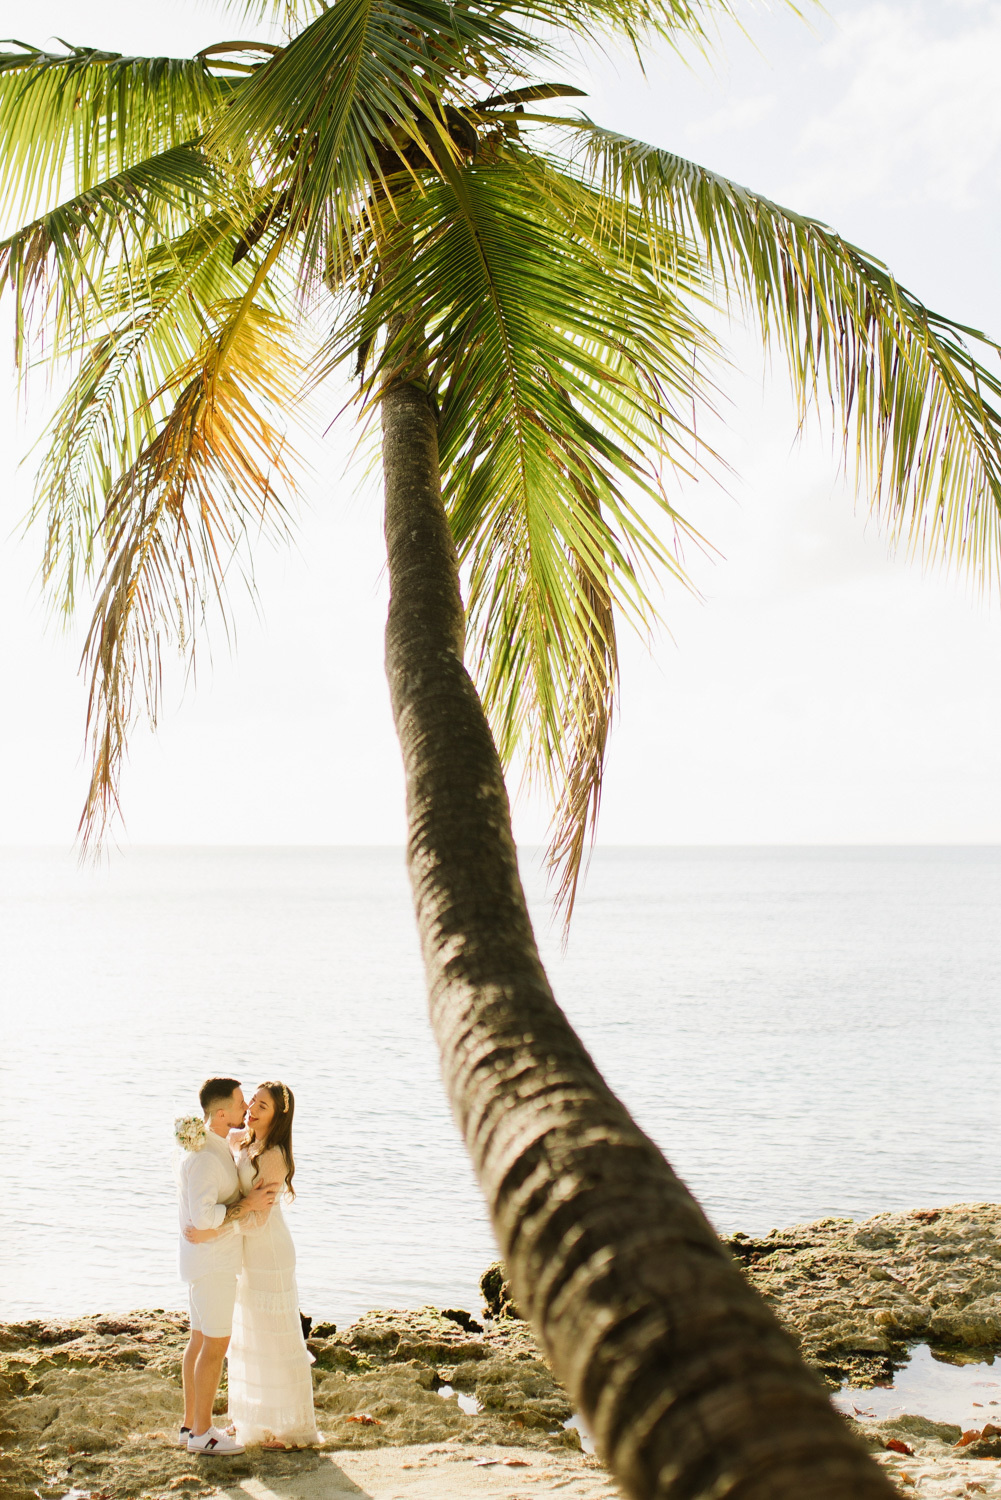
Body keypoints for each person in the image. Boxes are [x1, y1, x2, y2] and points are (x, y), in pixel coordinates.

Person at [185, 1080, 319, 1447]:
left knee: (277, 1336)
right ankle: (253, 1420)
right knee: (251, 1336)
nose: (252, 1110)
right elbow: (209, 1145)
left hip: (269, 1250)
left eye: (262, 1106)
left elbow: (259, 1218)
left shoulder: (274, 1155)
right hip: (242, 1249)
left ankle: (289, 1426)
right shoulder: (238, 1141)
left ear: (277, 1116)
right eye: (252, 1102)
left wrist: (212, 1233)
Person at [176, 1077, 277, 1456]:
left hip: (203, 1263)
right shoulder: (205, 1157)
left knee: (200, 1341)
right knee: (215, 1346)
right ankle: (203, 1433)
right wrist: (246, 1207)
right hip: (212, 1264)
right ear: (221, 1114)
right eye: (239, 1102)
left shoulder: (213, 1145)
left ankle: (189, 1427)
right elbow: (203, 1219)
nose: (244, 1107)